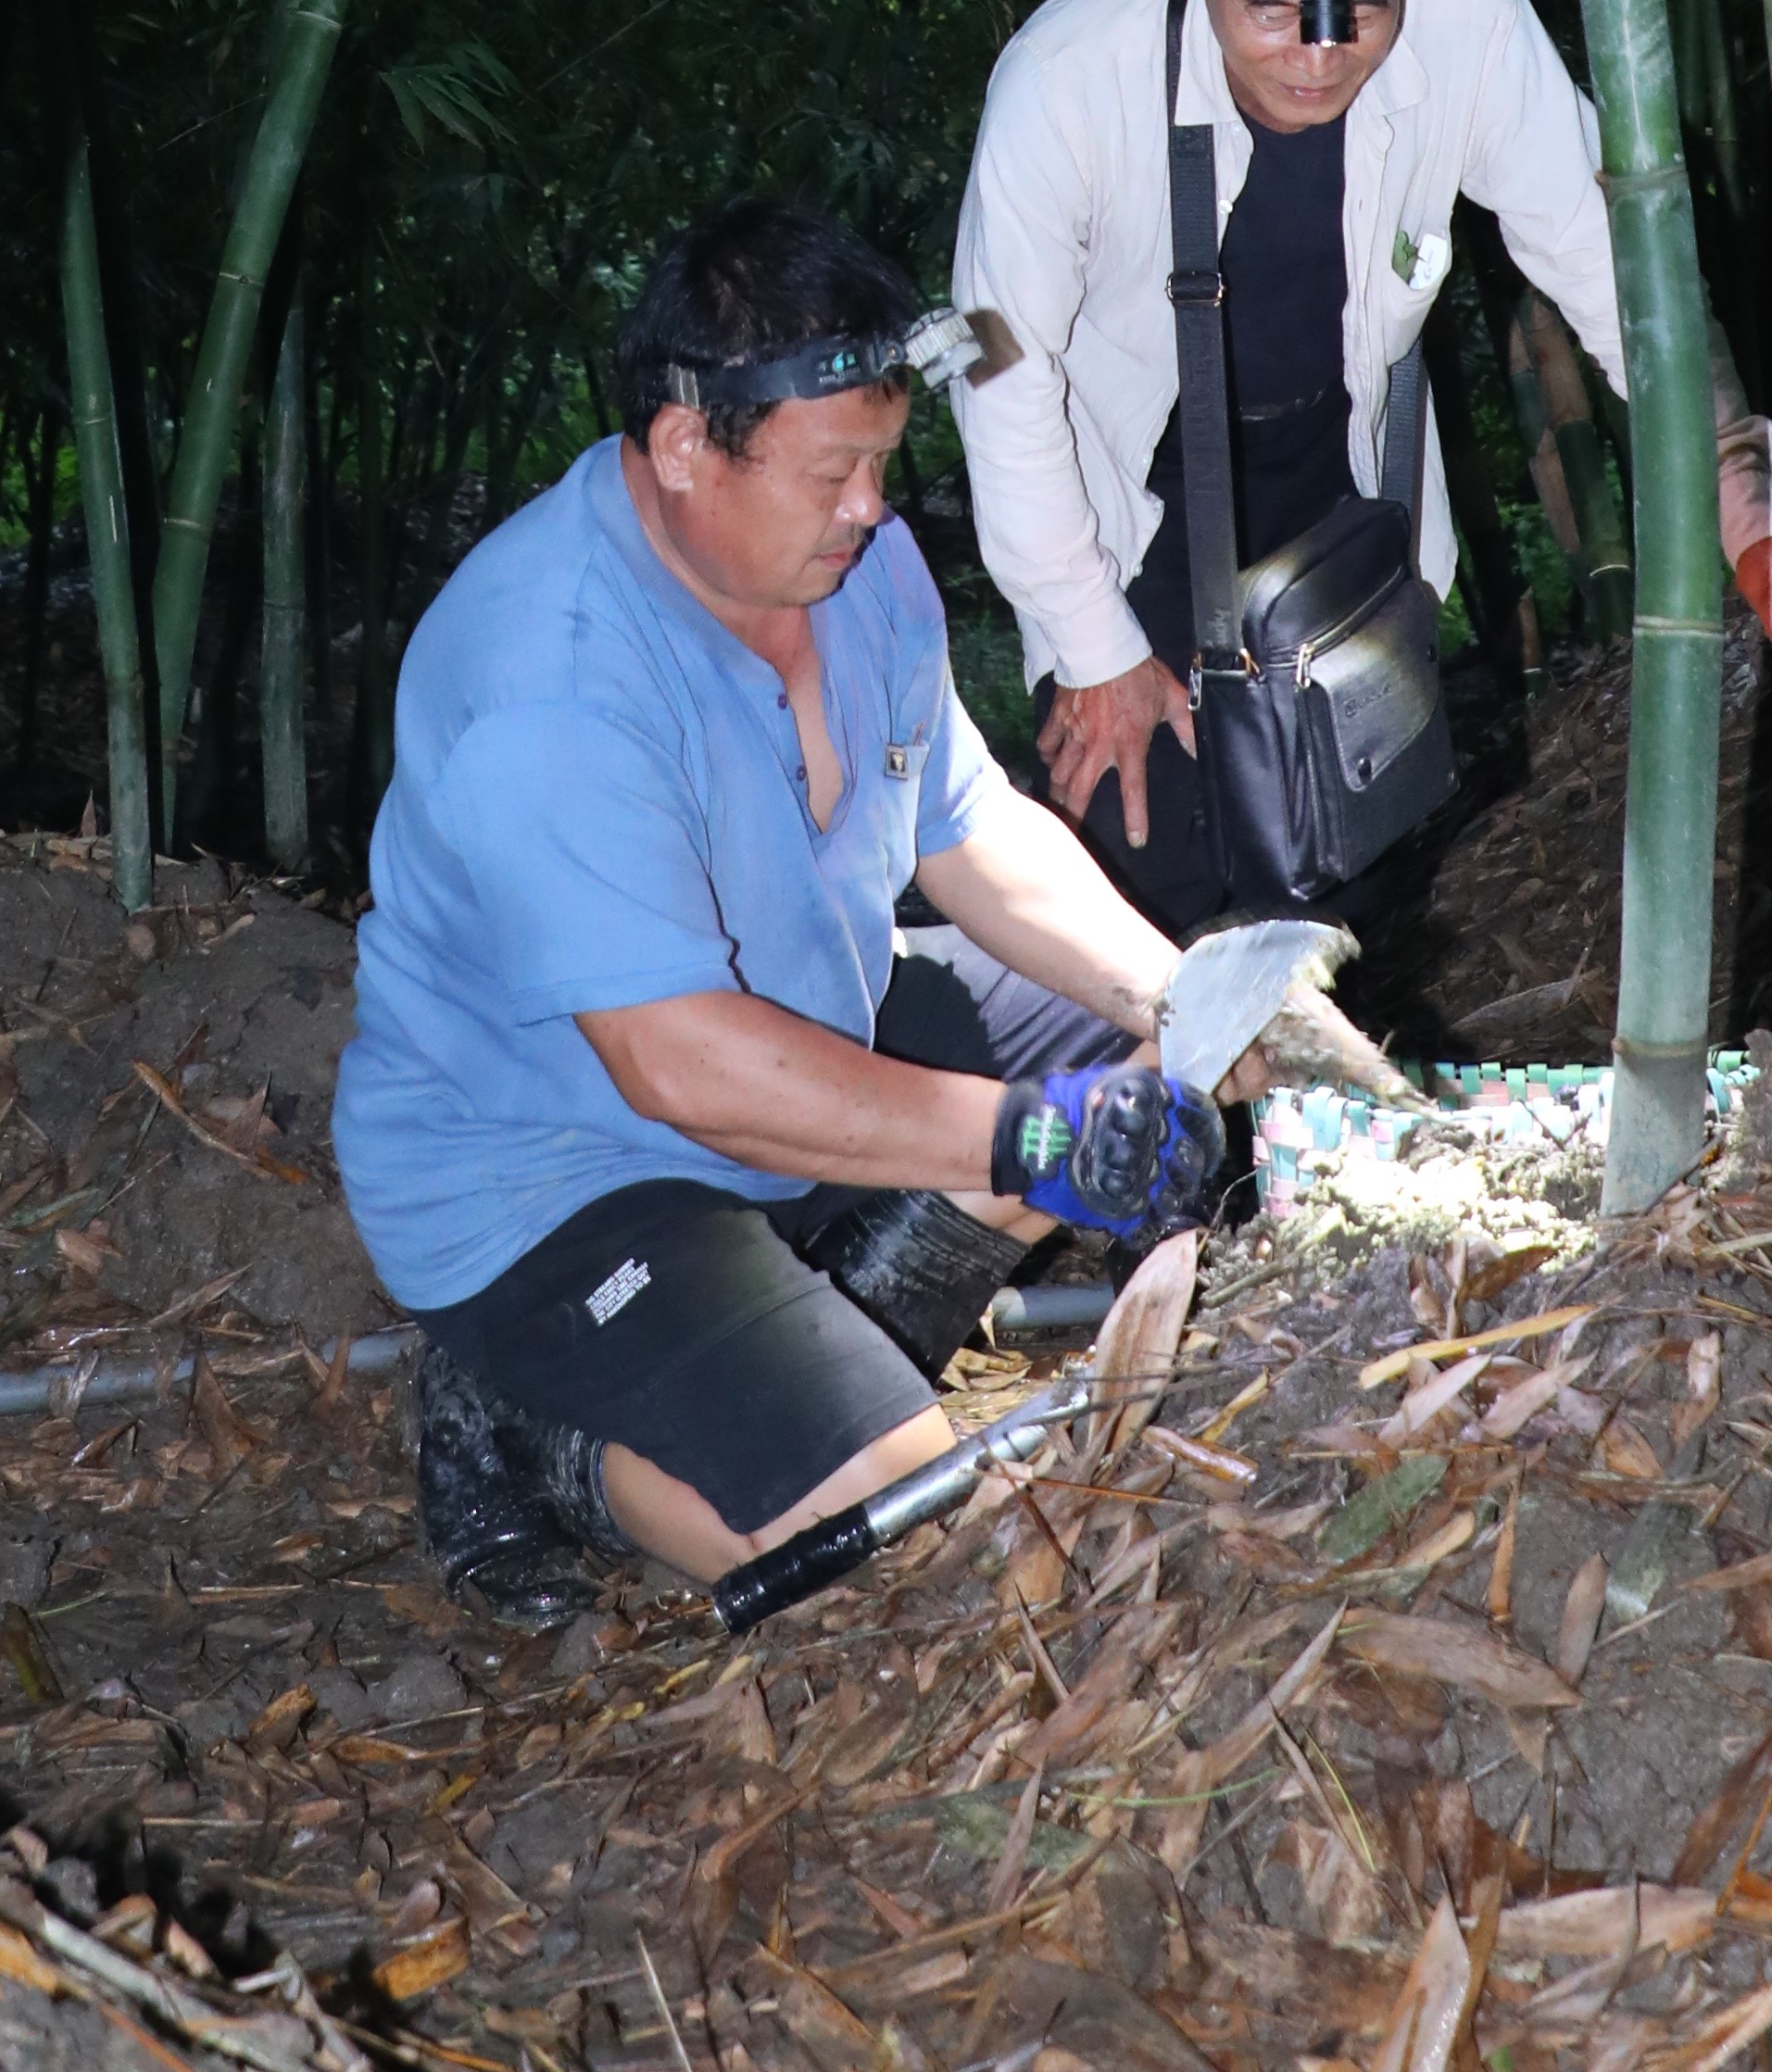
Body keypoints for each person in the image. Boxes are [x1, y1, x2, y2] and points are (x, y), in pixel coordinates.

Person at [334, 199, 1228, 1628]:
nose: (873, 507)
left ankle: (843, 1293)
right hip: (566, 1177)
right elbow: (681, 1065)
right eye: (836, 473)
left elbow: (971, 831)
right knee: (908, 1545)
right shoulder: (547, 678)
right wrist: (1023, 1139)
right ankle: (527, 1437)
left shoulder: (856, 571)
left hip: (811, 1034)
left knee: (1192, 1057)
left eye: (883, 461)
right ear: (686, 445)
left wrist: (1199, 1001)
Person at [949, 0, 1772, 914]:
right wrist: (1089, 644)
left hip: (1341, 487)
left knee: (1346, 874)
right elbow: (999, 377)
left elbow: (1621, 274)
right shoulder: (1067, 79)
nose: (1319, 56)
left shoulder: (1468, 22)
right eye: (1273, 9)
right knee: (1139, 873)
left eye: (1363, 9)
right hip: (1122, 506)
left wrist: (1752, 518)